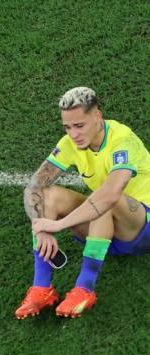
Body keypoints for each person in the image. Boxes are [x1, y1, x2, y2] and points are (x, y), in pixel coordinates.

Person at [16, 86, 150, 319]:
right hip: (103, 227)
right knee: (48, 195)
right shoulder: (70, 143)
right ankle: (41, 288)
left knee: (107, 195)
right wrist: (41, 225)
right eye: (67, 127)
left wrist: (58, 225)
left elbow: (109, 194)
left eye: (79, 126)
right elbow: (33, 187)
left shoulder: (122, 140)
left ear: (97, 116)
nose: (73, 134)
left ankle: (84, 288)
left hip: (140, 227)